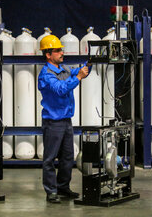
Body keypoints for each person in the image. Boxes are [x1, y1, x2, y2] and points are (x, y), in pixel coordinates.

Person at [38, 35, 91, 203]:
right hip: (53, 122)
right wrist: (79, 77)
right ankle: (51, 191)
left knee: (67, 157)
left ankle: (63, 187)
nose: (62, 52)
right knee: (50, 159)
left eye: (62, 49)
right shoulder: (46, 74)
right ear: (48, 54)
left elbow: (76, 72)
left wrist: (88, 64)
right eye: (58, 50)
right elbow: (60, 89)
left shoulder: (63, 69)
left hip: (66, 121)